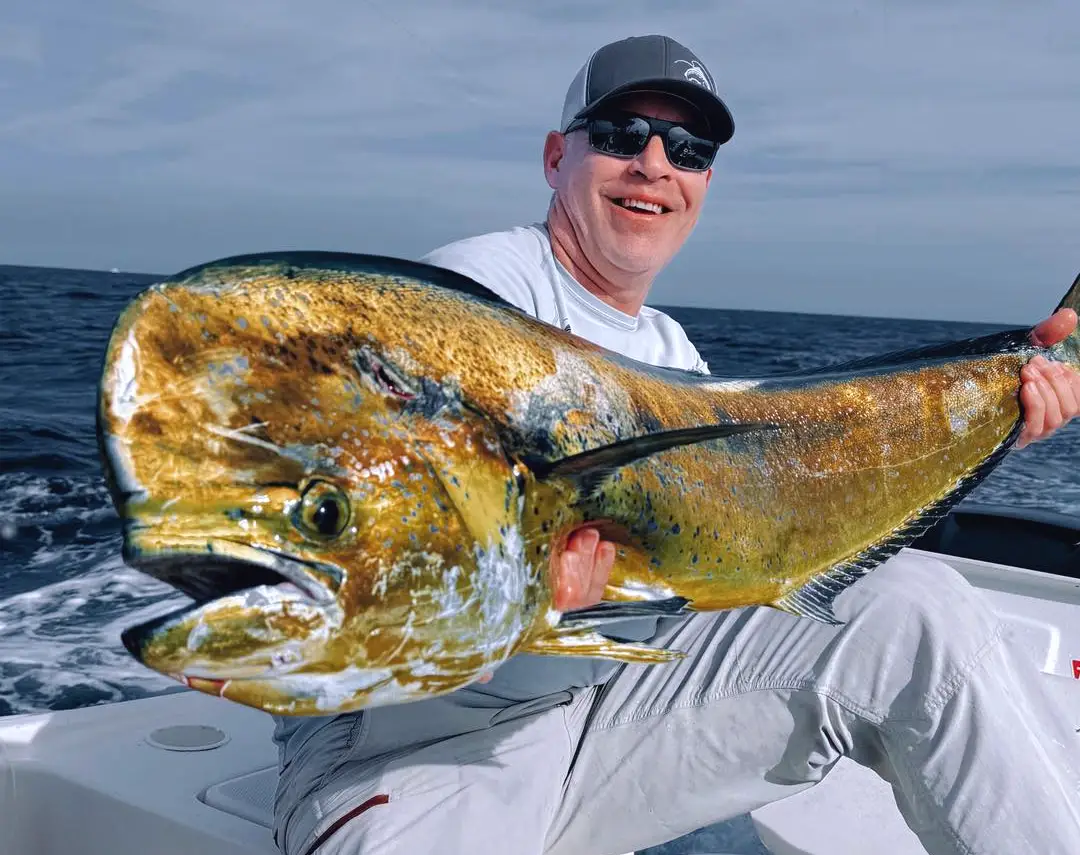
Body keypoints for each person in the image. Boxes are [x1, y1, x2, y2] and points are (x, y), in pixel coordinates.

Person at [272, 34, 1080, 855]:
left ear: (702, 184)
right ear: (557, 157)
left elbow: (777, 522)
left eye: (688, 148)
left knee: (920, 608)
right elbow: (368, 569)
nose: (654, 163)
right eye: (622, 134)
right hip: (419, 740)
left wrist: (986, 429)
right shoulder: (476, 296)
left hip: (608, 694)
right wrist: (515, 591)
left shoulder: (672, 357)